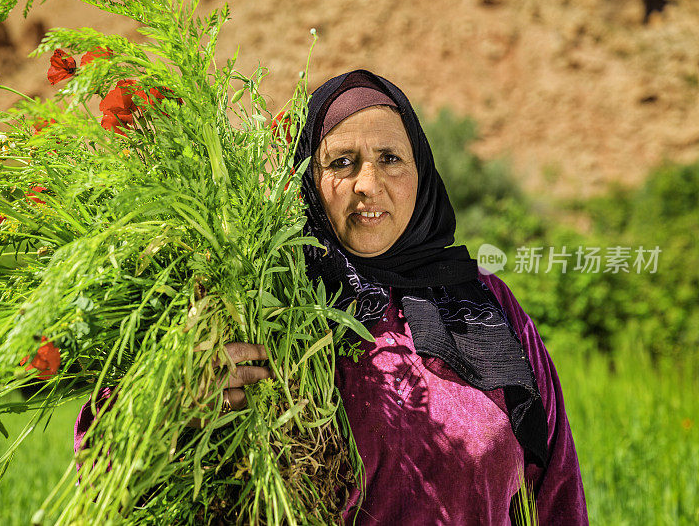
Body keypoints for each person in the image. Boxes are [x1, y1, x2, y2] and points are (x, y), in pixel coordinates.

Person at [75, 69, 589, 525]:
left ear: (423, 173)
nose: (368, 183)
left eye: (391, 158)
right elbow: (105, 470)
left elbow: (556, 487)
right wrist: (173, 404)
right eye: (342, 162)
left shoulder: (486, 304)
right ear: (308, 181)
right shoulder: (263, 301)